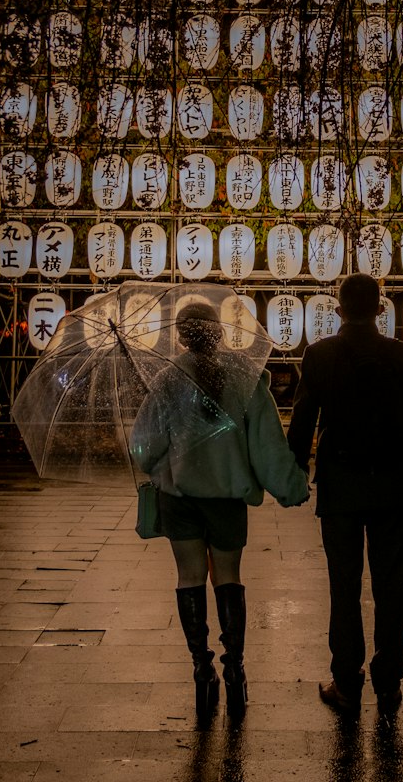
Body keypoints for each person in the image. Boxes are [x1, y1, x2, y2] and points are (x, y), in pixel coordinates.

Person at [131, 301, 310, 718]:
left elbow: (144, 447)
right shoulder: (246, 378)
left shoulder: (166, 379)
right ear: (220, 332)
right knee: (228, 577)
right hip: (227, 500)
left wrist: (161, 459)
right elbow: (267, 447)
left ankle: (201, 669)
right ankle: (234, 669)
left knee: (189, 577)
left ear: (180, 336)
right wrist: (291, 487)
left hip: (179, 500)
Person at [287, 273, 403, 718]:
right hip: (391, 487)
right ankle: (389, 684)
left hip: (342, 484)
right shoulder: (401, 354)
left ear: (338, 309)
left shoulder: (320, 354)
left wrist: (294, 471)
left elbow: (304, 420)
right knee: (390, 587)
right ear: (380, 309)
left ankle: (347, 682)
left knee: (344, 587)